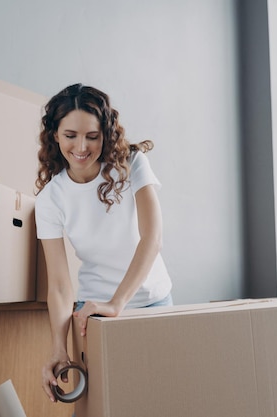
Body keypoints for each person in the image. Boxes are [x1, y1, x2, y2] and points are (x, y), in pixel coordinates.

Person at [35, 83, 173, 402]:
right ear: (55, 135)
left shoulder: (131, 163)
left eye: (92, 136)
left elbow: (152, 238)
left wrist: (118, 303)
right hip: (93, 312)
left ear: (105, 135)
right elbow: (58, 284)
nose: (81, 147)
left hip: (151, 301)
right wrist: (59, 345)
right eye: (70, 135)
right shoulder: (50, 199)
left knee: (160, 400)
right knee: (105, 404)